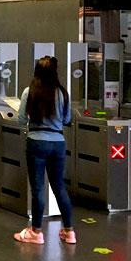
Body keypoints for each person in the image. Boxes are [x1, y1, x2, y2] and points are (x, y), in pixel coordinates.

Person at [14, 56, 75, 245]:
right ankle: (69, 232)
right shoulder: (63, 93)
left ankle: (36, 232)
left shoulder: (29, 91)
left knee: (38, 187)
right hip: (58, 143)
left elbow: (21, 119)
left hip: (36, 142)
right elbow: (67, 120)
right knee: (59, 187)